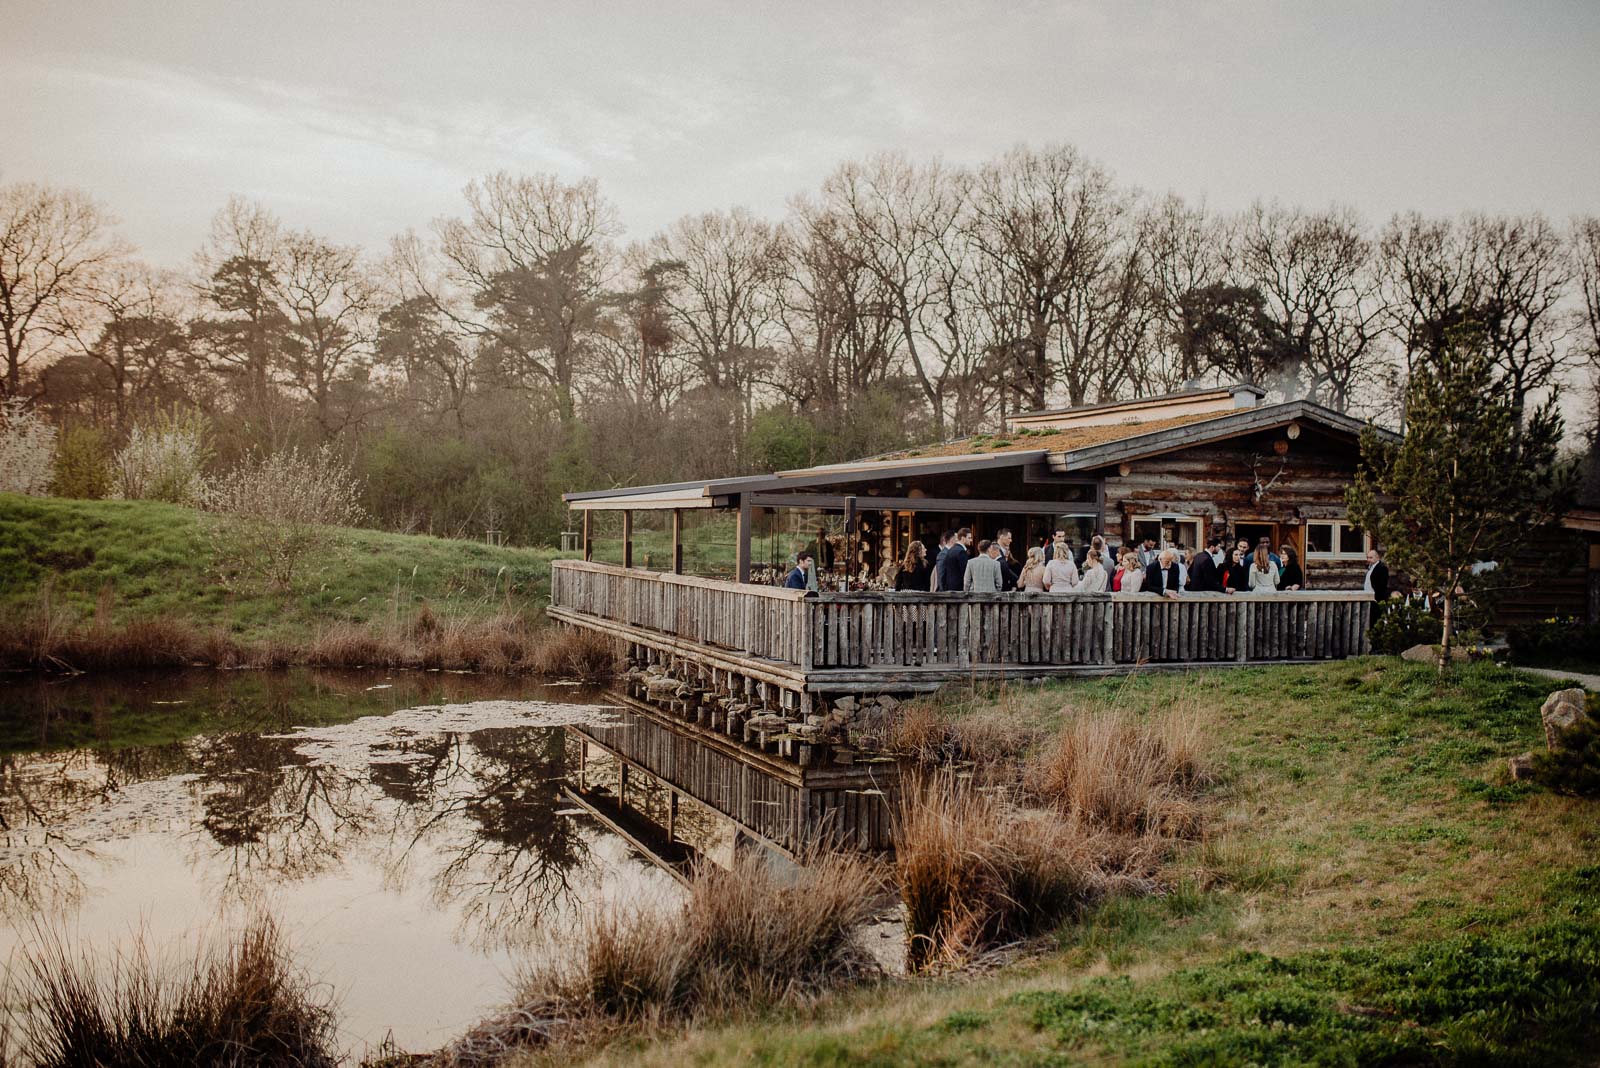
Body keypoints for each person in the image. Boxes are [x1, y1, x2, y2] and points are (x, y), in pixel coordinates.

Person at [937, 528, 971, 592]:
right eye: (969, 538)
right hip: (958, 589)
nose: (971, 540)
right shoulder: (961, 551)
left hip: (950, 588)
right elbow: (964, 572)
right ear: (963, 538)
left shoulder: (951, 550)